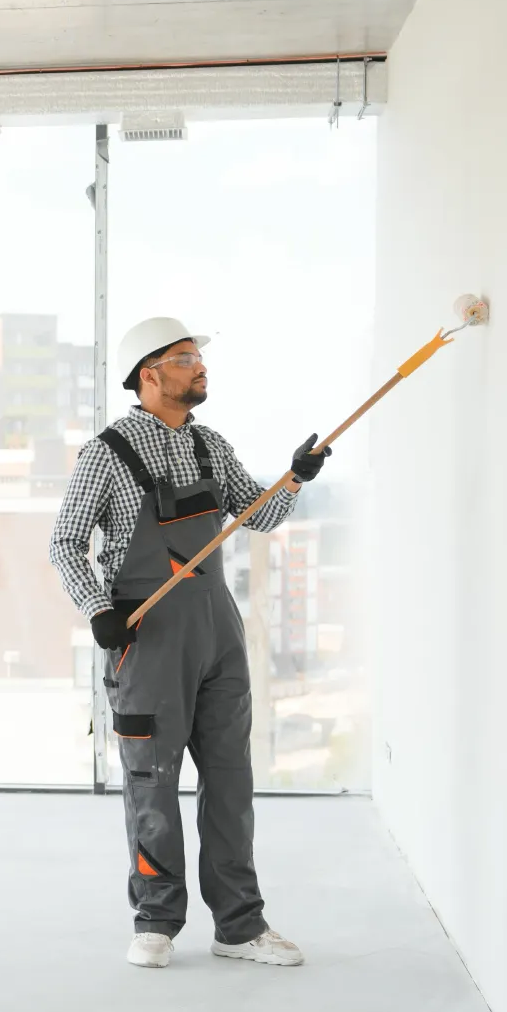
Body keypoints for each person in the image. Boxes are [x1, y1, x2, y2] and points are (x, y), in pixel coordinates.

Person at [49, 316, 329, 969]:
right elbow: (65, 542)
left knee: (230, 782)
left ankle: (239, 926)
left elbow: (258, 515)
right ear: (149, 374)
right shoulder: (108, 454)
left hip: (217, 633)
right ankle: (155, 920)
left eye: (198, 358)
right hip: (147, 642)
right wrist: (99, 611)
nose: (199, 366)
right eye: (184, 358)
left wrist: (295, 477)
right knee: (152, 782)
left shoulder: (210, 446)